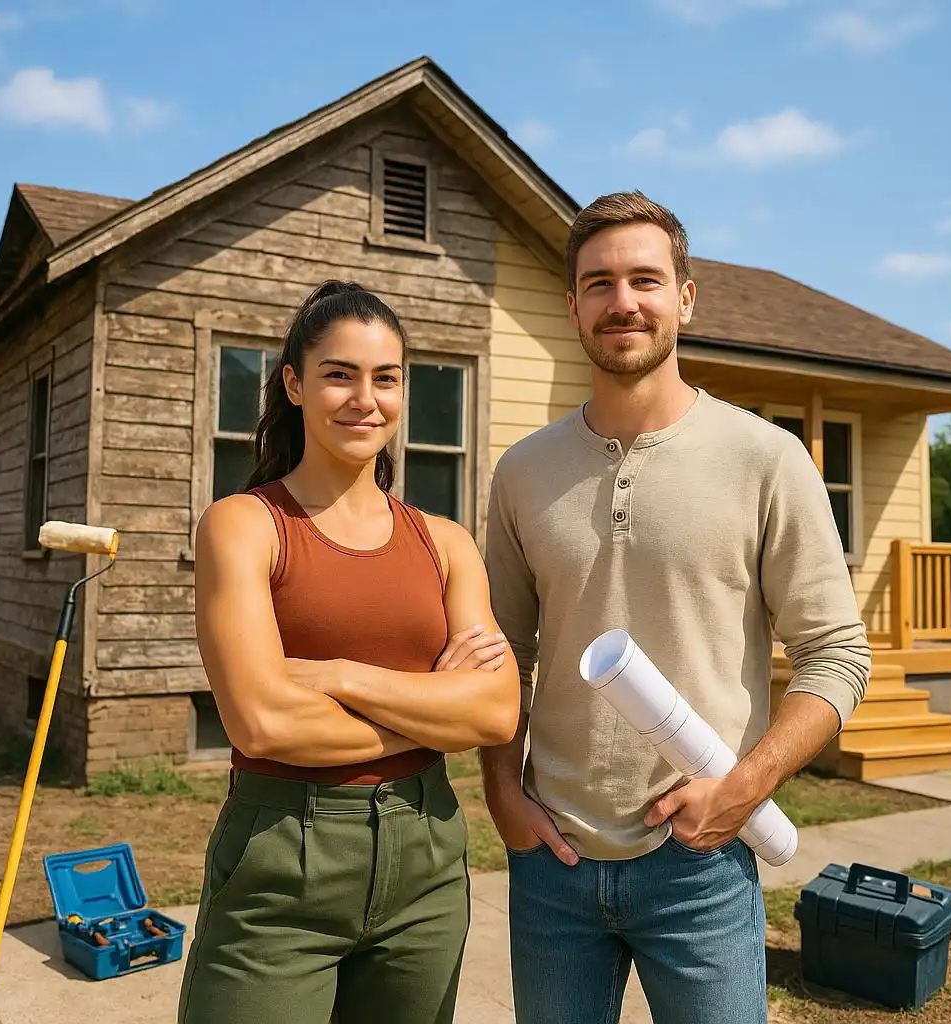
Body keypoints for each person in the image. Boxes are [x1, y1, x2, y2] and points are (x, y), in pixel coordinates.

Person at [479, 191, 873, 1024]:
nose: (623, 301)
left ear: (685, 298)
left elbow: (837, 653)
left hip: (700, 859)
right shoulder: (522, 471)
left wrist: (745, 786)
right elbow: (503, 653)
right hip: (553, 862)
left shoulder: (767, 460)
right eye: (599, 283)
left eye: (645, 280)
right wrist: (501, 793)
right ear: (574, 304)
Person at [177, 280, 520, 1024]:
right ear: (295, 384)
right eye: (340, 374)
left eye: (386, 378)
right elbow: (265, 726)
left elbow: (496, 713)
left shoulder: (447, 541)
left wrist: (341, 677)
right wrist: (436, 714)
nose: (366, 398)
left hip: (427, 859)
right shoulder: (244, 525)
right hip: (282, 856)